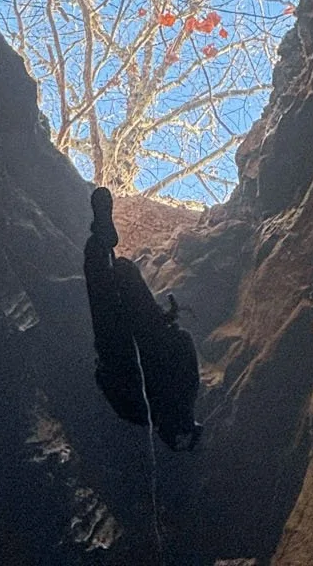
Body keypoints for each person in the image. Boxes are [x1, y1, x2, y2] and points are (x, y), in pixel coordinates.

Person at [82, 186, 201, 448]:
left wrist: (165, 326)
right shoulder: (140, 415)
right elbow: (106, 382)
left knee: (124, 273)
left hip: (146, 333)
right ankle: (101, 246)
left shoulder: (186, 392)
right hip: (118, 343)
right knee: (102, 281)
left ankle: (105, 245)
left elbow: (183, 342)